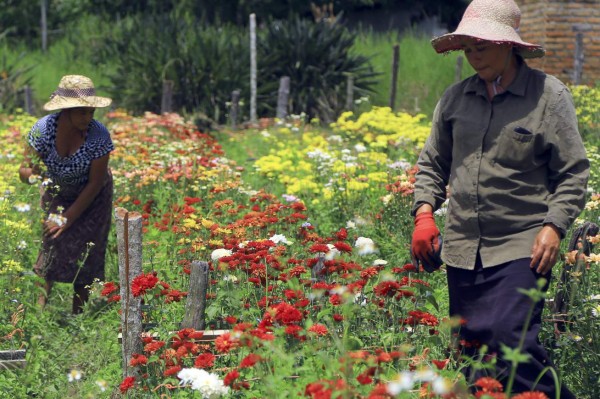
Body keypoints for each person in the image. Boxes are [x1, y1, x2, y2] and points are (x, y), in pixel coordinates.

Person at [410, 0, 588, 397]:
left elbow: (573, 172)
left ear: (509, 46)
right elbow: (432, 165)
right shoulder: (455, 100)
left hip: (522, 245)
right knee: (475, 358)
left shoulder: (547, 97)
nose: (474, 58)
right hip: (462, 248)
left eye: (482, 48)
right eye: (468, 50)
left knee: (512, 346)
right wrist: (424, 214)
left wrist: (554, 226)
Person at [19, 75, 114, 314]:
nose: (88, 117)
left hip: (94, 198)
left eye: (91, 112)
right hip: (58, 192)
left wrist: (69, 217)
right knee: (51, 240)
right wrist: (35, 175)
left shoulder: (98, 136)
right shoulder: (43, 130)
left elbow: (94, 183)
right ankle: (38, 312)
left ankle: (77, 316)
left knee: (87, 249)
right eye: (82, 112)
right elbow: (24, 170)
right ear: (66, 109)